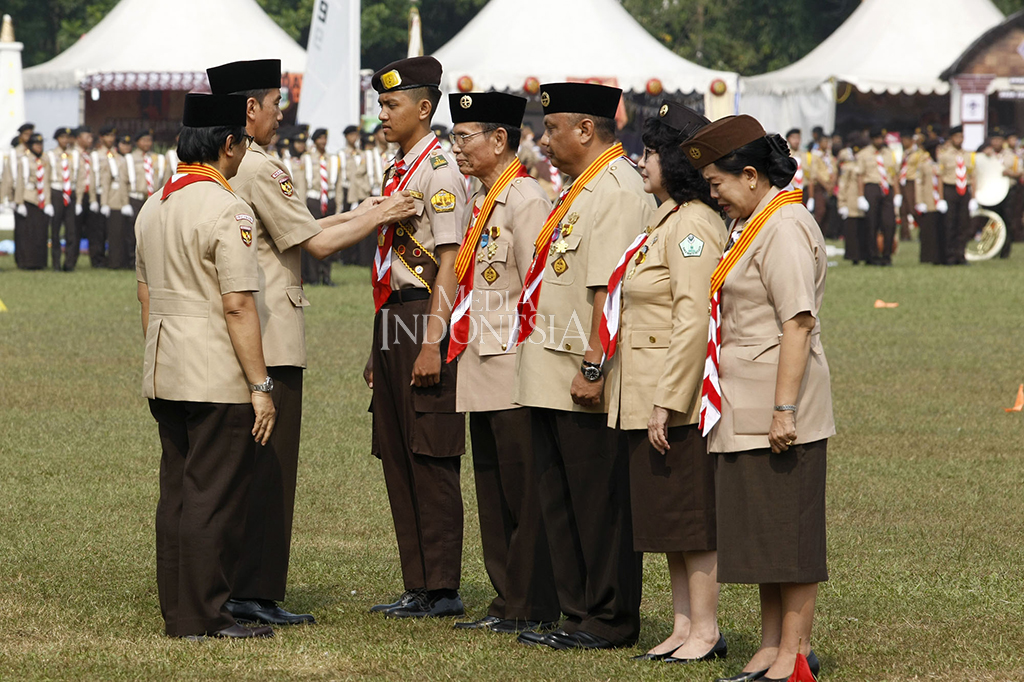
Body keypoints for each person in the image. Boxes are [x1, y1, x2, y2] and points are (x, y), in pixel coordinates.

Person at [206, 57, 417, 627]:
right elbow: (316, 245)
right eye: (276, 104)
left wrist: (365, 211)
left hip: (243, 334)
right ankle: (255, 589)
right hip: (271, 336)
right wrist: (384, 215)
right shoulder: (258, 166)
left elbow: (304, 228)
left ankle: (241, 584)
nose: (282, 113)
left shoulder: (227, 163)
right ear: (250, 109)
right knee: (270, 469)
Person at [682, 115, 833, 682]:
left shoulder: (785, 226)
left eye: (718, 183)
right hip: (747, 404)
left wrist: (784, 410)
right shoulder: (754, 224)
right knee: (764, 535)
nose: (713, 194)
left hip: (779, 405)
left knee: (789, 537)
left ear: (750, 175)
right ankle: (772, 648)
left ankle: (794, 656)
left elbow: (797, 323)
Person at [511, 82, 653, 651]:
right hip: (550, 370)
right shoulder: (579, 189)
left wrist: (593, 368)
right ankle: (578, 614)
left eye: (552, 129)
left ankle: (609, 617)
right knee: (561, 499)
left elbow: (609, 291)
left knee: (599, 505)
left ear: (586, 130)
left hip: (584, 375)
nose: (543, 140)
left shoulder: (615, 190)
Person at [136, 92, 276, 640]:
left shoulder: (155, 203)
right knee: (213, 496)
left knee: (178, 491)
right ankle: (202, 614)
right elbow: (238, 304)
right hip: (214, 369)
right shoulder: (227, 208)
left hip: (165, 361)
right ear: (226, 144)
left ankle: (179, 606)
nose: (243, 155)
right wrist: (260, 385)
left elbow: (145, 296)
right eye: (240, 144)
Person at [600, 101, 726, 663]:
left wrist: (668, 401)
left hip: (675, 400)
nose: (642, 161)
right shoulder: (667, 219)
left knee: (689, 520)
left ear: (676, 159)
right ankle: (682, 626)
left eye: (651, 152)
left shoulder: (694, 225)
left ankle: (706, 629)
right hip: (644, 394)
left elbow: (692, 317)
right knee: (665, 519)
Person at [444, 91, 560, 635]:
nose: (457, 147)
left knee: (522, 487)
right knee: (491, 488)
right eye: (455, 136)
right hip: (480, 361)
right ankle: (505, 599)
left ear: (499, 140)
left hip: (513, 362)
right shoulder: (482, 197)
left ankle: (530, 601)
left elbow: (536, 289)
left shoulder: (524, 199)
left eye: (467, 137)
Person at [362, 55, 469, 620]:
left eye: (391, 104)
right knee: (398, 449)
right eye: (381, 104)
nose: (382, 113)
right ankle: (418, 583)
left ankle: (443, 586)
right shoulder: (398, 169)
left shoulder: (440, 170)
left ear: (424, 109)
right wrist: (375, 345)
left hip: (425, 313)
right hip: (393, 317)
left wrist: (433, 340)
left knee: (430, 449)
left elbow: (450, 260)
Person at [856, 128, 900, 266]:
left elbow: (894, 174)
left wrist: (898, 194)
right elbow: (860, 176)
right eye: (877, 138)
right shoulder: (863, 154)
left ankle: (887, 255)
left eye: (882, 138)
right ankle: (872, 255)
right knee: (871, 223)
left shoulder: (889, 153)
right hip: (871, 187)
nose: (880, 141)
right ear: (872, 139)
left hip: (887, 187)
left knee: (889, 223)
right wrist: (860, 195)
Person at [301, 127, 339, 285]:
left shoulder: (332, 158)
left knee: (329, 237)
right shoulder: (307, 158)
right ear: (315, 141)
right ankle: (313, 275)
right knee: (313, 238)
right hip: (314, 199)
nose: (323, 142)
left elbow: (336, 184)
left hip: (328, 200)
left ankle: (326, 275)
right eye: (320, 139)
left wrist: (339, 204)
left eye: (325, 139)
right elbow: (302, 183)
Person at [45, 127, 85, 271]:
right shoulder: (50, 155)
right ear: (57, 139)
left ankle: (69, 263)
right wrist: (48, 201)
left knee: (72, 230)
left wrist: (79, 200)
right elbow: (46, 180)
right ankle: (56, 263)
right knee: (55, 230)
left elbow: (80, 178)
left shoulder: (75, 155)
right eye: (62, 137)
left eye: (67, 138)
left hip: (71, 192)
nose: (65, 140)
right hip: (56, 191)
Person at [937, 125, 977, 265]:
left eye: (961, 137)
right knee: (950, 223)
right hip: (950, 188)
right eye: (956, 137)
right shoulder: (944, 155)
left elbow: (972, 176)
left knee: (963, 224)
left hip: (964, 190)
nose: (959, 139)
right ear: (951, 138)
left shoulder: (969, 155)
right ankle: (949, 255)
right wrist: (940, 198)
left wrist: (973, 197)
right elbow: (940, 177)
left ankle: (961, 254)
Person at [12, 132, 50, 269]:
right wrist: (19, 202)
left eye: (41, 144)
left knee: (41, 232)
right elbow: (20, 181)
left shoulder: (45, 160)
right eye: (36, 144)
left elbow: (46, 182)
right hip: (27, 197)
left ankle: (40, 262)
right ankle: (26, 262)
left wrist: (48, 202)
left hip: (41, 198)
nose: (39, 147)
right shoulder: (24, 160)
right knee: (27, 233)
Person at [100, 134, 136, 269]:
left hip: (132, 198)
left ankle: (129, 262)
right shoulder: (112, 159)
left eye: (128, 144)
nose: (126, 147)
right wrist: (104, 203)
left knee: (129, 234)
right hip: (115, 200)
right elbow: (105, 182)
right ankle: (115, 263)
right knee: (116, 234)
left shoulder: (132, 159)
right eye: (123, 144)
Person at [85, 126, 116, 268]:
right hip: (98, 194)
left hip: (111, 195)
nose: (111, 139)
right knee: (96, 230)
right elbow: (91, 178)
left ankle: (108, 257)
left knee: (108, 228)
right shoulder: (96, 155)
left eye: (112, 136)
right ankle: (97, 259)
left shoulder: (115, 155)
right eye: (108, 136)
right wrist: (92, 199)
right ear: (102, 138)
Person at [914, 139, 944, 264]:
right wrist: (919, 201)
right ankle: (928, 256)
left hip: (940, 200)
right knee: (929, 229)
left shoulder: (940, 164)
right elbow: (919, 183)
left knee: (940, 228)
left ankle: (940, 255)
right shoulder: (923, 164)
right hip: (928, 199)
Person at [837, 132, 865, 264]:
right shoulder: (848, 167)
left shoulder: (862, 164)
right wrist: (842, 204)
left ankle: (862, 255)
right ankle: (853, 256)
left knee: (861, 231)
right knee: (851, 232)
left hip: (862, 203)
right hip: (850, 202)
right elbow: (843, 185)